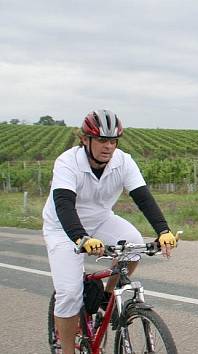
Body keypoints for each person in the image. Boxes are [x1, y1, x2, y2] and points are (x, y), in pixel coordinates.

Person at [42, 109, 178, 353]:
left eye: (113, 141)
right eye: (102, 140)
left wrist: (163, 230)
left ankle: (105, 299)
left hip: (102, 220)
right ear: (85, 139)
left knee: (134, 247)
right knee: (70, 294)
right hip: (63, 229)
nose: (108, 147)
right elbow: (63, 204)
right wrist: (81, 238)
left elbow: (143, 198)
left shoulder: (123, 161)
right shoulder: (67, 162)